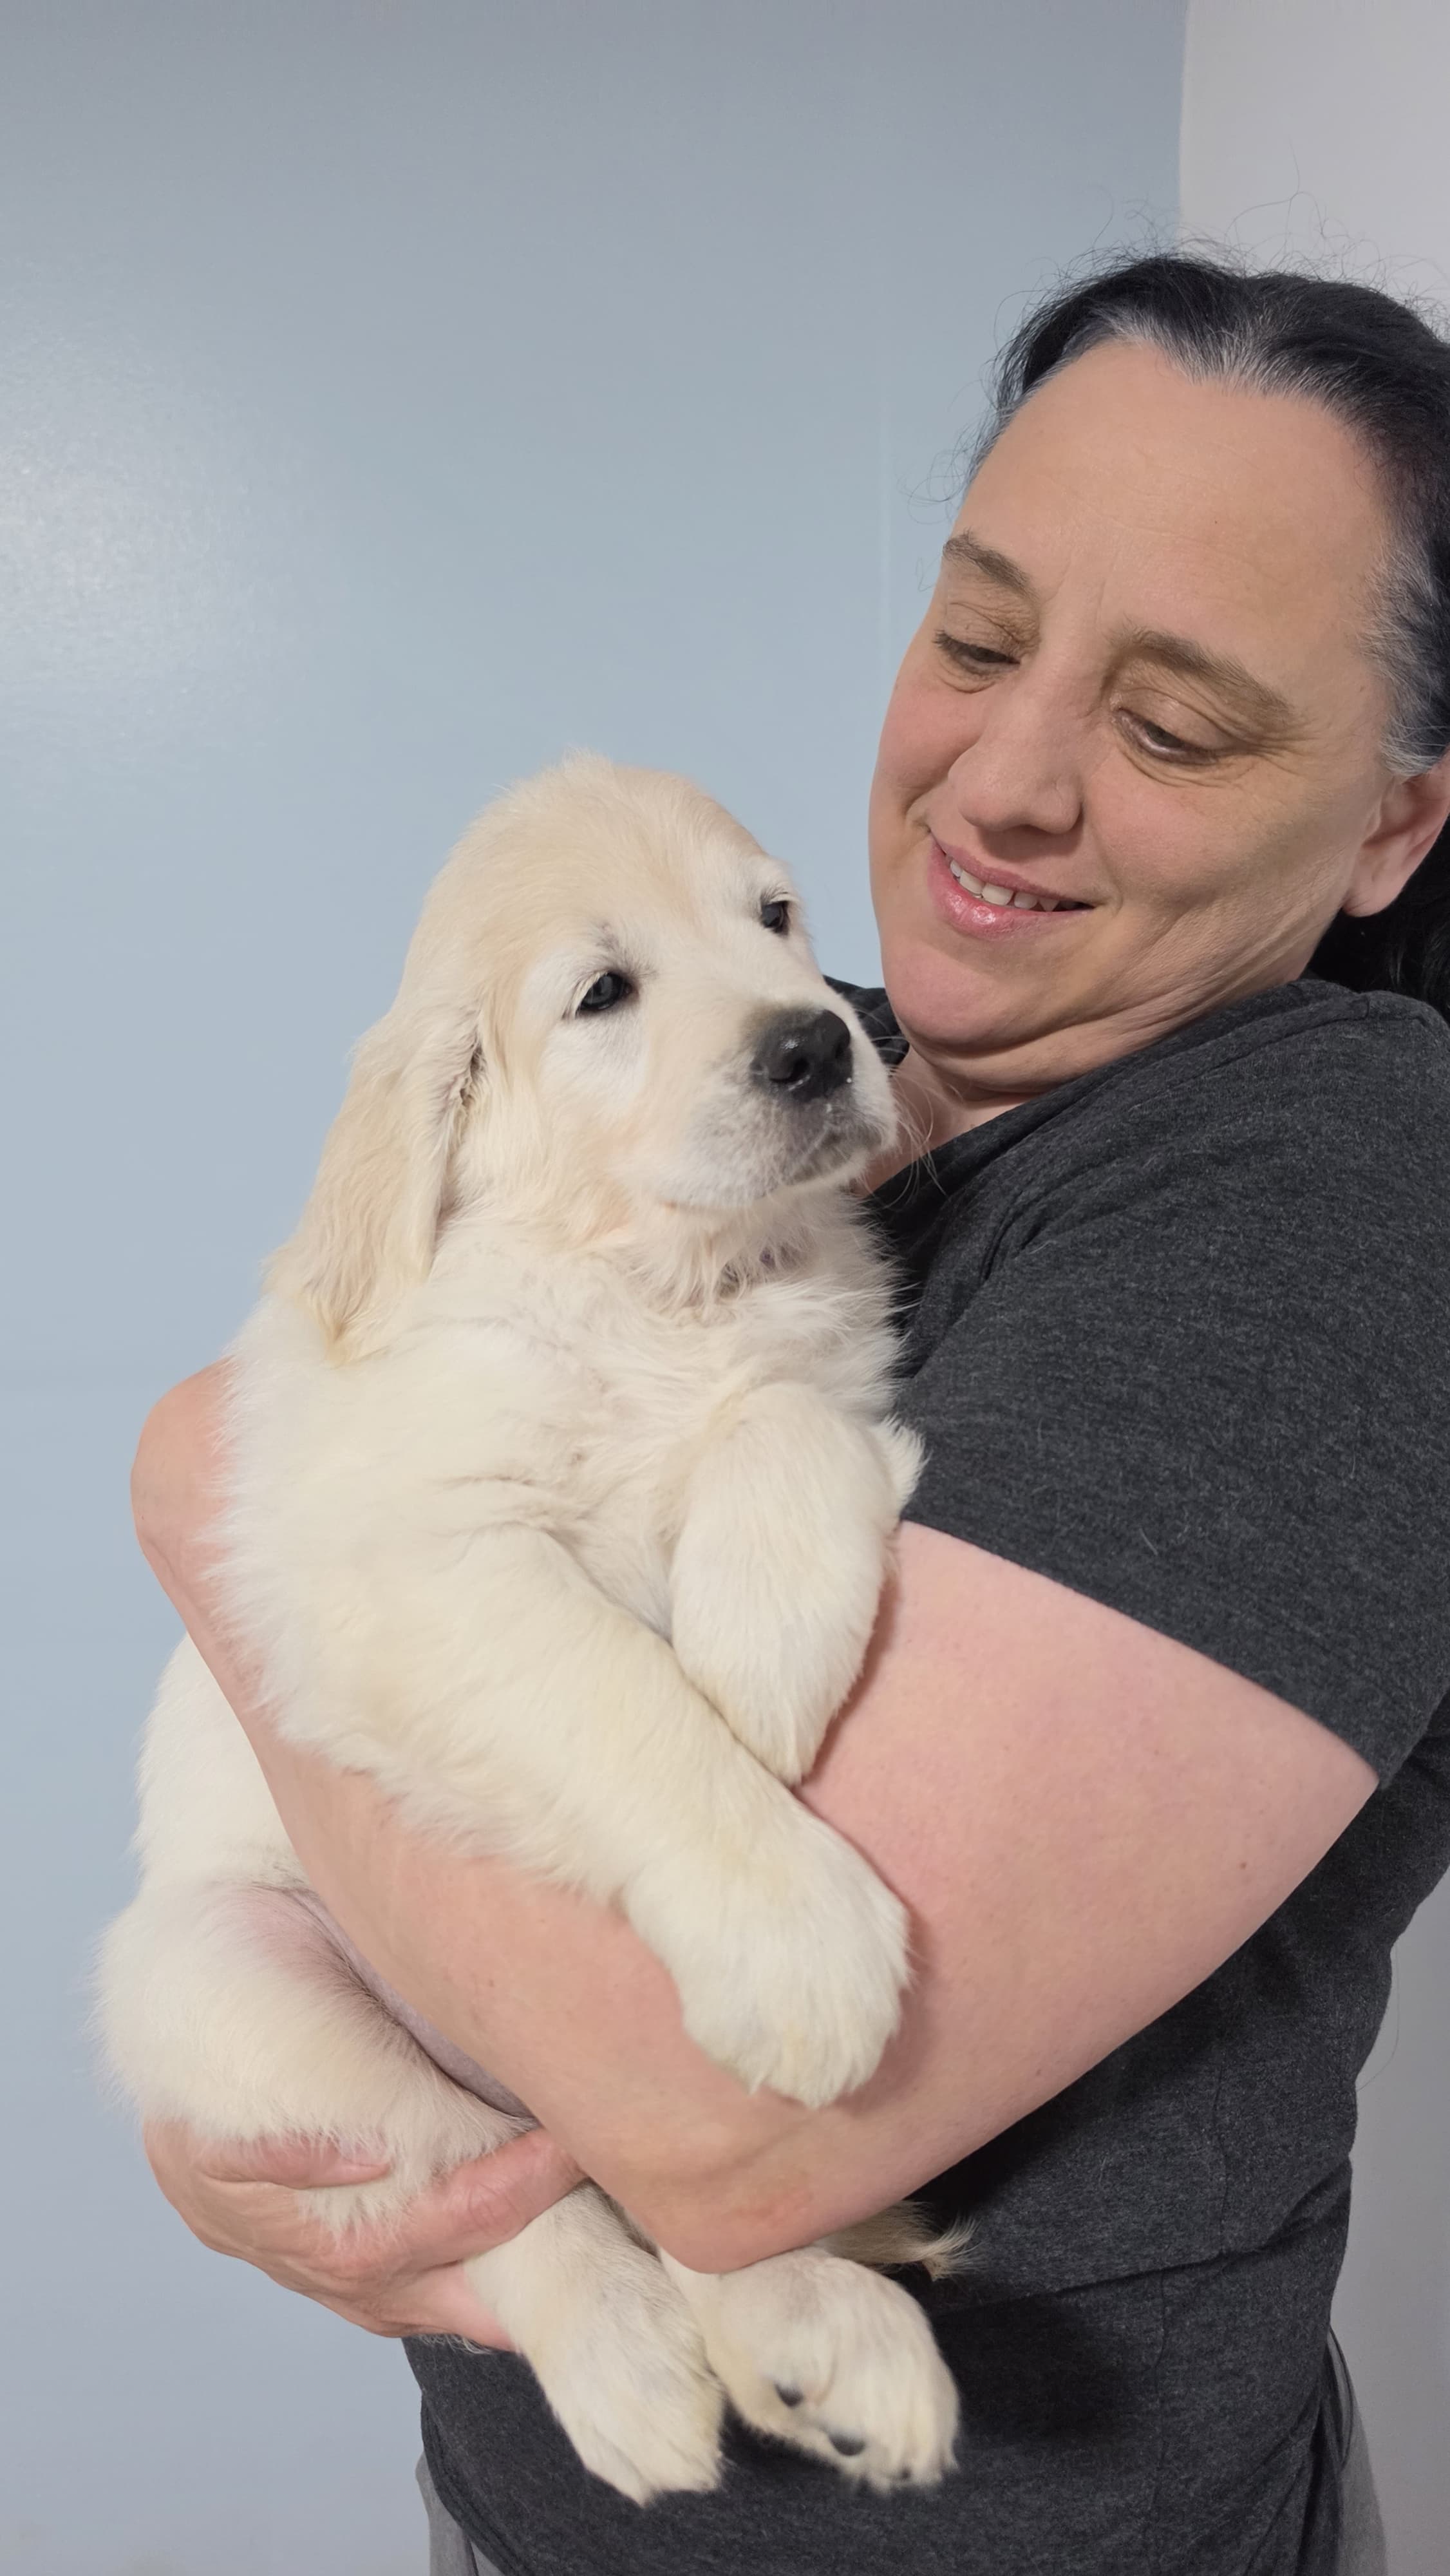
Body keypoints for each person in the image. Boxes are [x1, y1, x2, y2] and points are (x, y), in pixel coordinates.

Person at [129, 250, 1450, 2575]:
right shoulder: (806, 1067)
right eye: (971, 634)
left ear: (1387, 827)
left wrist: (193, 1474)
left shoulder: (1345, 1187)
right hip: (535, 2508)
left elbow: (730, 2123)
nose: (1007, 778)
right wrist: (323, 2148)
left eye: (1173, 728)